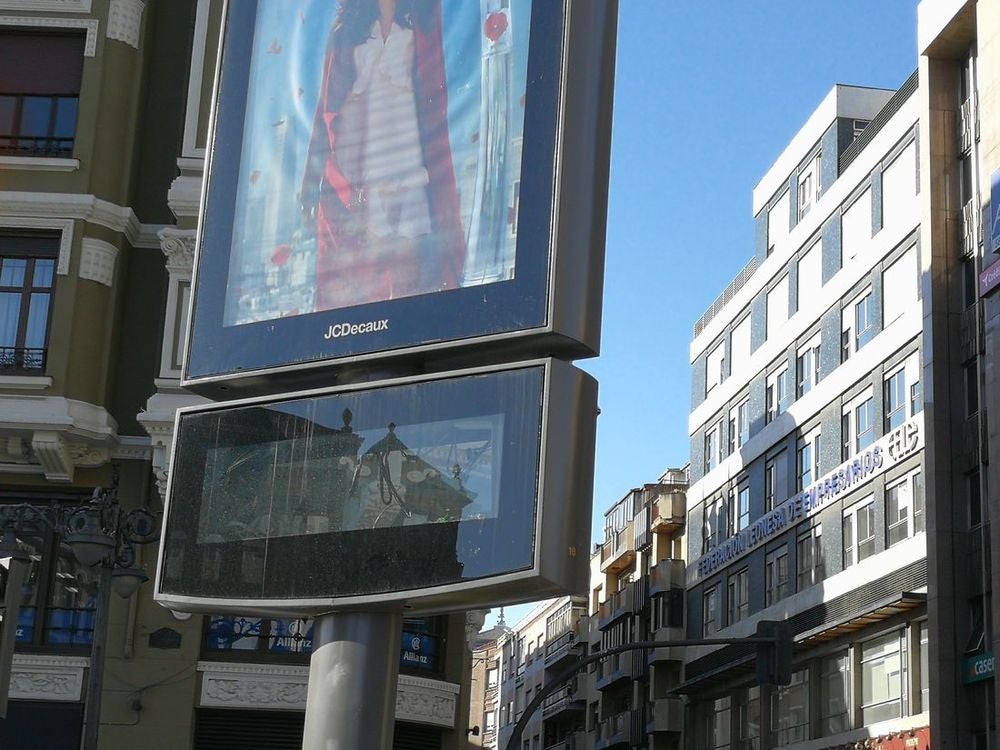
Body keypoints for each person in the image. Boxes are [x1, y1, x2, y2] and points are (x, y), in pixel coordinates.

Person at [300, 0, 466, 311]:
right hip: (357, 174)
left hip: (407, 164)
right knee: (363, 264)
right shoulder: (346, 33)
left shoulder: (421, 26)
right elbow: (324, 109)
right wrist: (310, 184)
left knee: (408, 268)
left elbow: (434, 101)